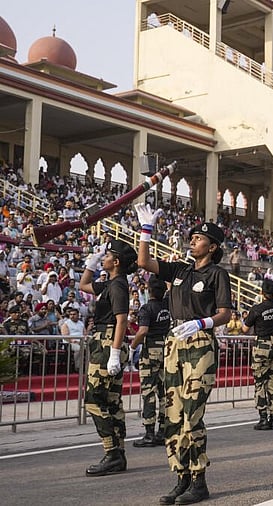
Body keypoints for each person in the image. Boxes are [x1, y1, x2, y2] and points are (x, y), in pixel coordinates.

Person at [135, 203, 233, 505]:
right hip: (174, 343)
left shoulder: (218, 274)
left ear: (212, 246)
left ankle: (199, 480)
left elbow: (225, 313)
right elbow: (144, 262)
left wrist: (202, 322)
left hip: (200, 343)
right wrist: (146, 231)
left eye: (198, 238)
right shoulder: (180, 269)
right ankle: (181, 477)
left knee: (192, 415)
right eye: (191, 236)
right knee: (173, 416)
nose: (192, 240)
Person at [78, 240, 138, 477]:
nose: (103, 257)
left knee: (94, 400)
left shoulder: (117, 286)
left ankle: (112, 452)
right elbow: (84, 285)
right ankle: (118, 453)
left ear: (116, 262)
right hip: (106, 342)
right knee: (112, 401)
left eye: (106, 256)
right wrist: (90, 264)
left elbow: (121, 320)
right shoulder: (110, 283)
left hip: (108, 342)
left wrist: (114, 353)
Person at [241, 260, 273, 431]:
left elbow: (244, 328)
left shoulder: (257, 308)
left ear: (262, 292)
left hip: (262, 344)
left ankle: (263, 418)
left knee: (260, 382)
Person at [131, 277, 172, 448]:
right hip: (166, 350)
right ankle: (163, 431)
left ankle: (149, 433)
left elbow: (142, 331)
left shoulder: (146, 308)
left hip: (150, 351)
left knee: (148, 392)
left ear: (148, 292)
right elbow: (169, 288)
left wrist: (133, 347)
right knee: (164, 393)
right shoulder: (168, 305)